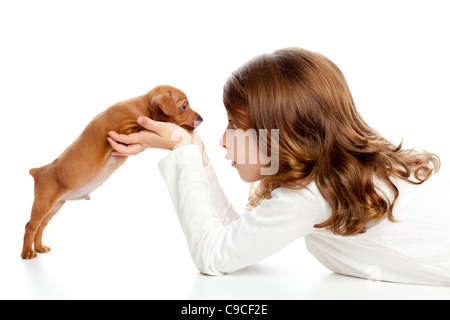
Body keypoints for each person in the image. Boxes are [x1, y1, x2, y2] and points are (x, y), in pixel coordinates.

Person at [107, 47, 450, 286]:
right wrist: (192, 149)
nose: (224, 141)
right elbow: (239, 240)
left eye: (235, 127)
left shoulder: (312, 194)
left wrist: (182, 150)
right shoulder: (328, 179)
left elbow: (213, 255)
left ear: (280, 136)